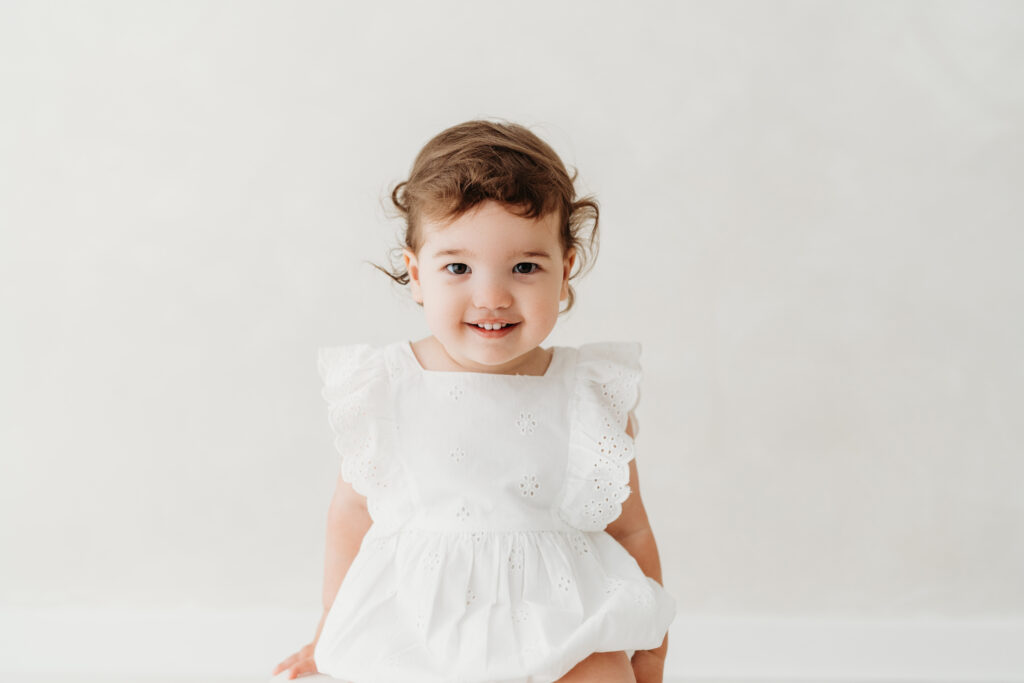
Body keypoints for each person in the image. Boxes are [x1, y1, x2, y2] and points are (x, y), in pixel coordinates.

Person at [271, 119, 676, 682]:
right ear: (416, 275)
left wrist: (649, 647)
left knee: (600, 673)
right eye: (458, 268)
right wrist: (328, 629)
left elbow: (629, 529)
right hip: (416, 624)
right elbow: (351, 515)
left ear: (566, 272)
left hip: (557, 619)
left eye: (526, 267)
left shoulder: (587, 395)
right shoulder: (386, 388)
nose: (491, 297)